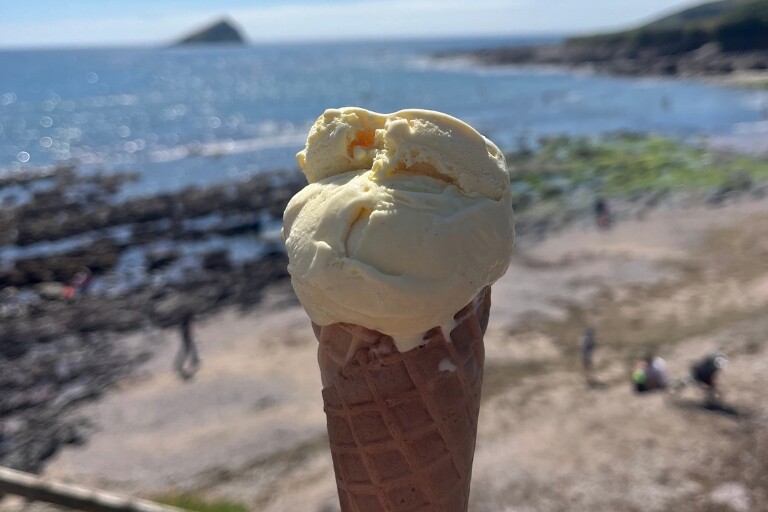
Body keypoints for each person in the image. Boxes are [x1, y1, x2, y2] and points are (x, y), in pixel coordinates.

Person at [175, 313, 200, 380]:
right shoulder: (185, 324)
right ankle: (193, 361)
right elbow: (187, 332)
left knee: (189, 349)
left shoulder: (184, 324)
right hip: (187, 338)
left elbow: (186, 331)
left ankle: (194, 360)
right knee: (188, 348)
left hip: (186, 337)